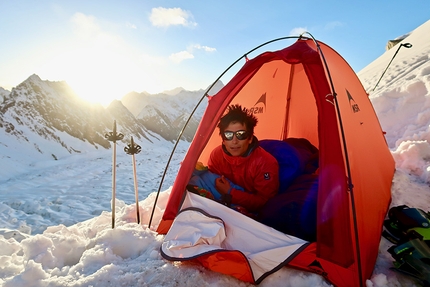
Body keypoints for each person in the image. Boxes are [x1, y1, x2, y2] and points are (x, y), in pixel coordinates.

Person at [207, 104, 279, 213]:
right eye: (228, 135)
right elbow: (211, 183)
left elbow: (265, 201)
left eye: (241, 134)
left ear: (250, 138)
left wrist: (230, 193)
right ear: (223, 139)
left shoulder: (265, 163)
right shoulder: (216, 155)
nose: (234, 141)